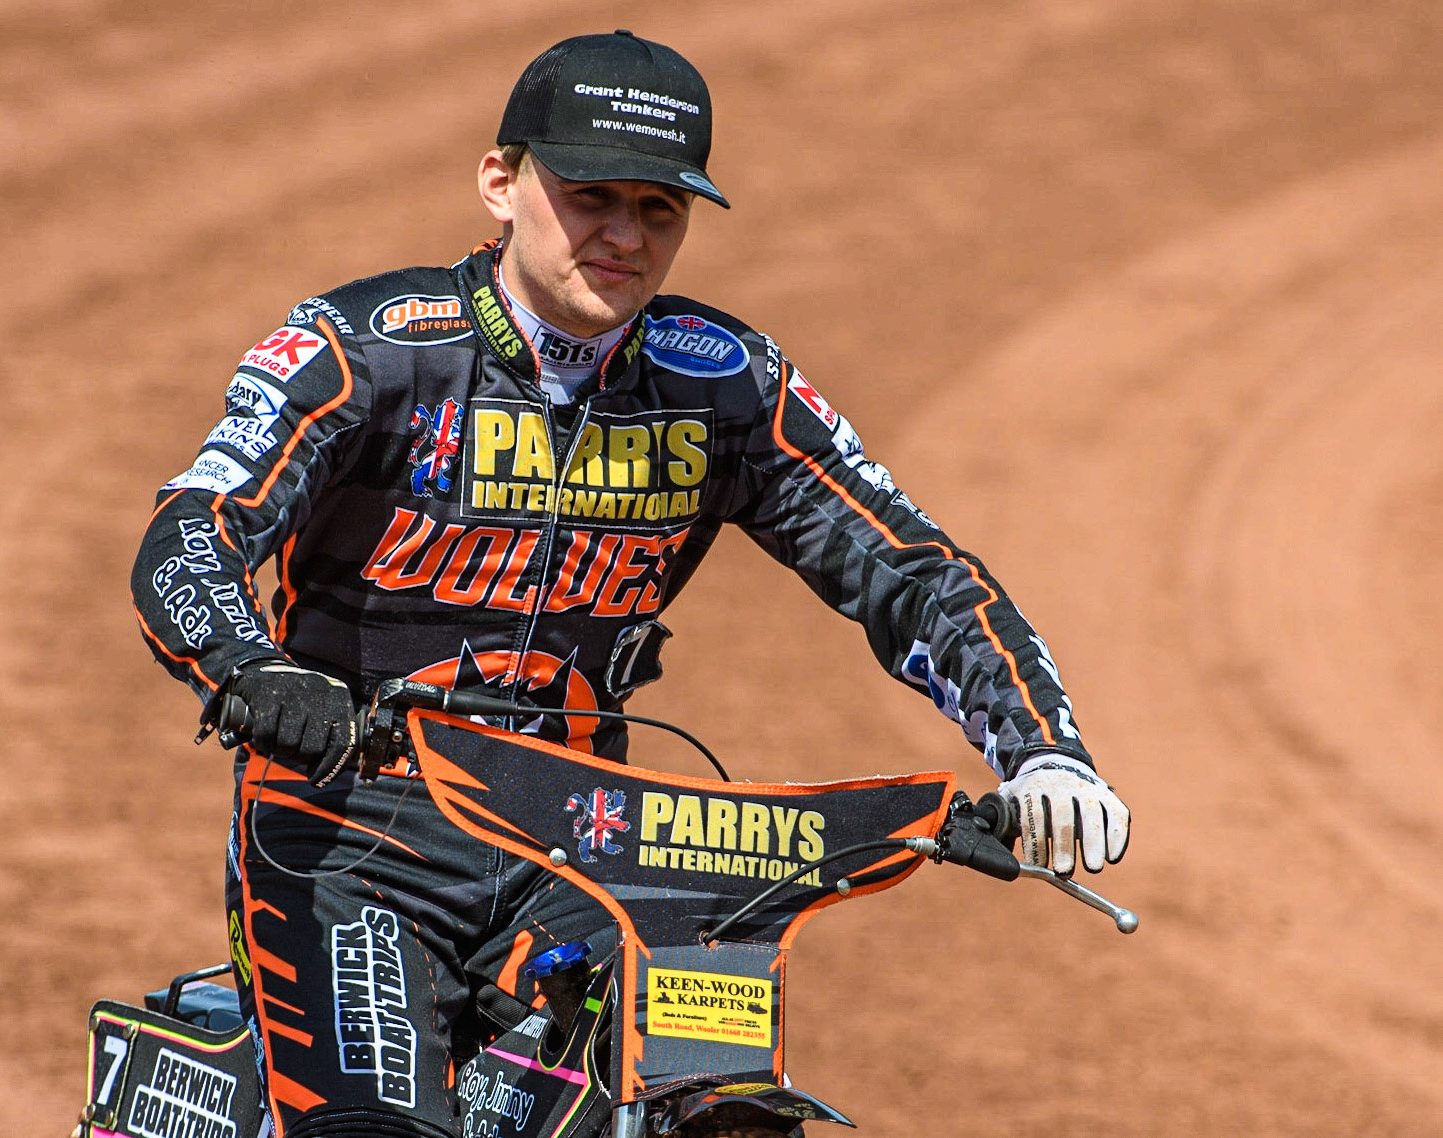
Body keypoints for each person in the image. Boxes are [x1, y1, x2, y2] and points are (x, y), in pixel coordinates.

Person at [132, 29, 1130, 1138]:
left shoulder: (726, 385)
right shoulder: (361, 348)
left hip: (598, 836)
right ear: (500, 183)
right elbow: (194, 530)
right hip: (350, 829)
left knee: (724, 1112)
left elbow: (909, 569)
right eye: (590, 195)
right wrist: (254, 668)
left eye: (660, 209)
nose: (623, 235)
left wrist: (1040, 748)